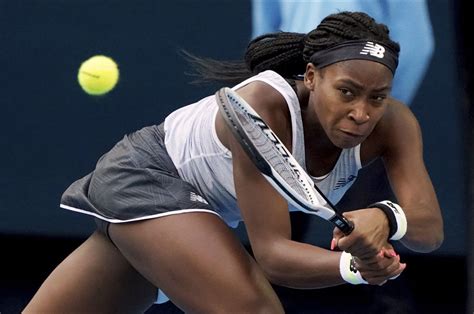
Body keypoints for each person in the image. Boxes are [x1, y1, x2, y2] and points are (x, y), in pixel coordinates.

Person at [24, 11, 443, 313]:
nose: (362, 113)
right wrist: (356, 266)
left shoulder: (395, 124)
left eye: (377, 97)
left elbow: (428, 228)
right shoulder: (261, 106)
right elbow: (274, 255)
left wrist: (386, 218)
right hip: (148, 178)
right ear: (312, 77)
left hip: (202, 214)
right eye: (347, 92)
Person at [251, 0, 435, 106]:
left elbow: (416, 43)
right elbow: (266, 41)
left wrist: (379, 106)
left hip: (363, 112)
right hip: (297, 105)